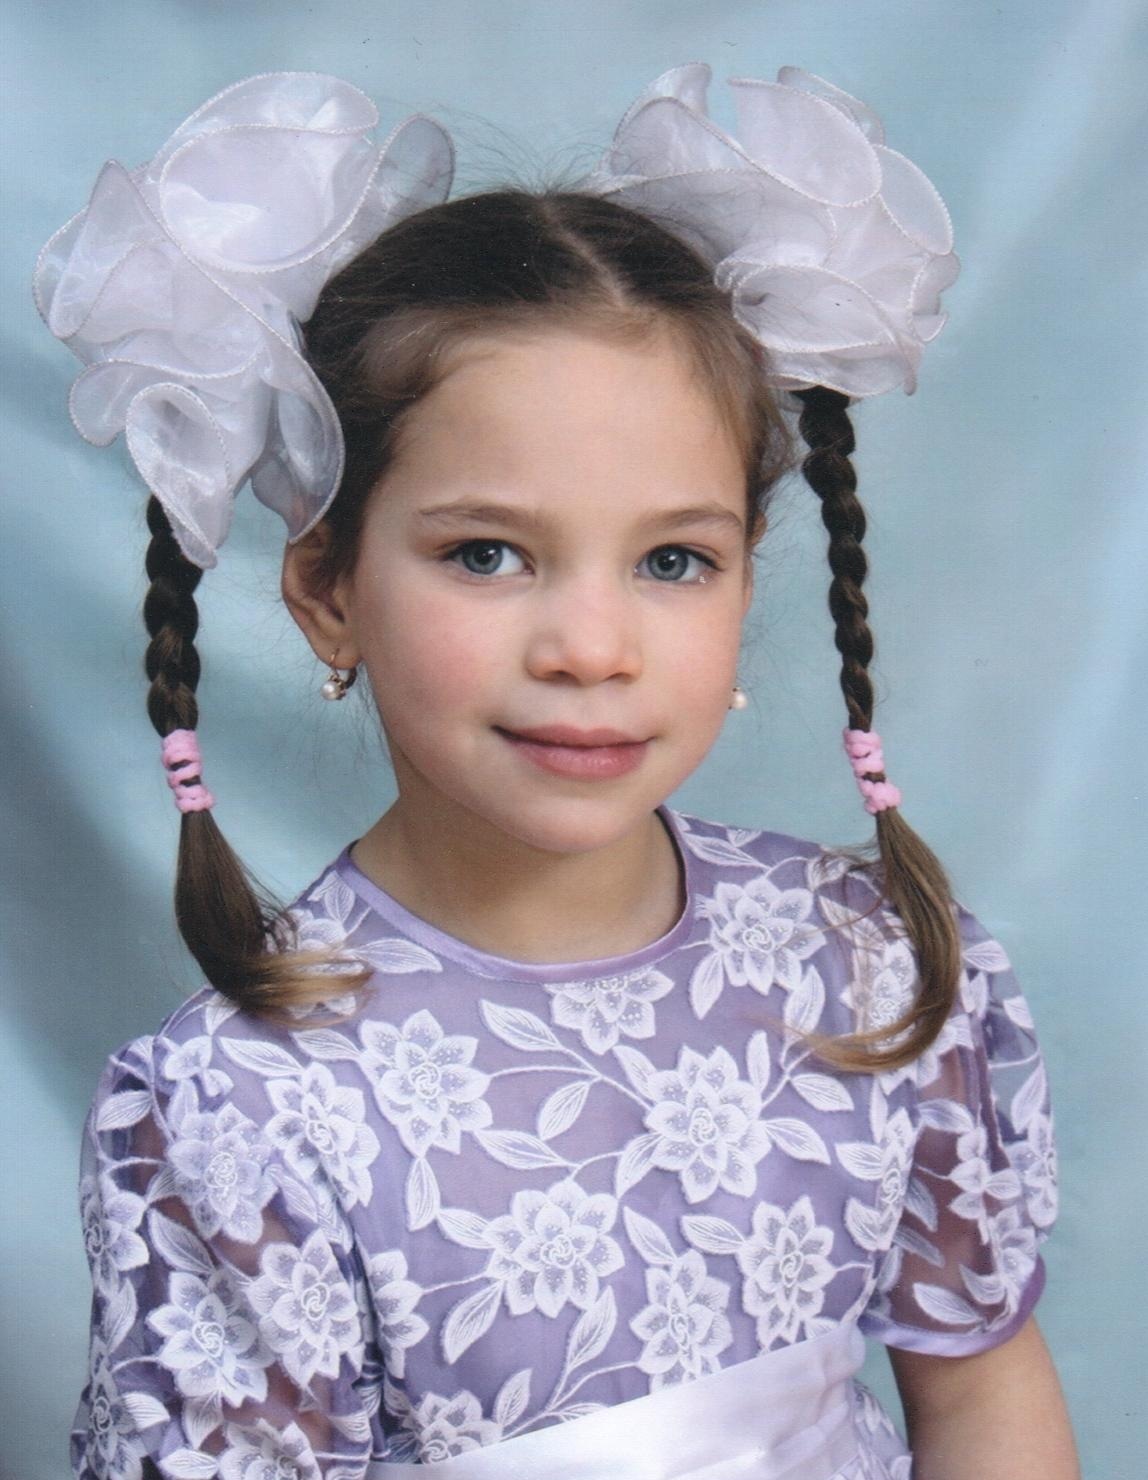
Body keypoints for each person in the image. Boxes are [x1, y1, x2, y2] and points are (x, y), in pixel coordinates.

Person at [36, 66, 1079, 1480]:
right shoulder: (247, 1104)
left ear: (747, 581)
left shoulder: (867, 962)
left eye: (673, 561)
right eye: (487, 554)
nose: (592, 648)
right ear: (329, 590)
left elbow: (982, 1399)